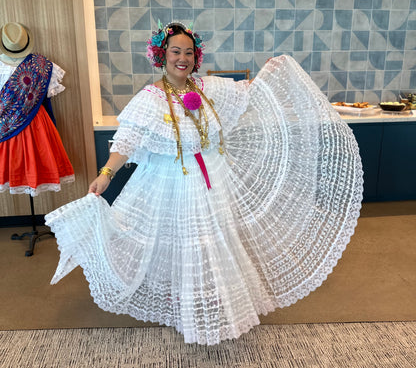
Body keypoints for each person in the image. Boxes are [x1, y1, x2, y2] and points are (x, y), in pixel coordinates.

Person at [45, 22, 363, 345]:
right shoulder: (150, 98)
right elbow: (127, 140)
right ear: (161, 55)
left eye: (188, 52)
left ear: (195, 57)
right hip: (170, 183)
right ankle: (178, 299)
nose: (182, 58)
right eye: (175, 52)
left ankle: (211, 297)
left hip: (212, 177)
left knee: (213, 238)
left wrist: (267, 72)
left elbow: (246, 91)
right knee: (178, 240)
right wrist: (106, 175)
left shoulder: (206, 87)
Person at [0, 22, 74, 196]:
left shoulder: (43, 66)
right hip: (10, 129)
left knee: (35, 167)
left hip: (35, 127)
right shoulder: (42, 66)